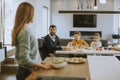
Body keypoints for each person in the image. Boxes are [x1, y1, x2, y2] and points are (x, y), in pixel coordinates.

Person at [11, 2, 52, 80]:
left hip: (29, 70)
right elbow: (24, 59)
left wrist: (41, 63)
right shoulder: (25, 31)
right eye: (33, 13)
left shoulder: (22, 29)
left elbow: (27, 55)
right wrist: (42, 66)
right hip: (28, 72)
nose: (34, 16)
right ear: (28, 15)